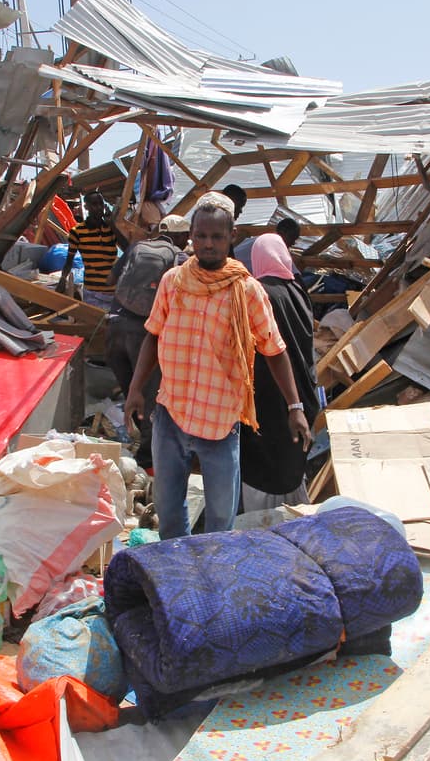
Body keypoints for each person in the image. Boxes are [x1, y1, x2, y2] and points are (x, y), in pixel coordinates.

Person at [124, 193, 312, 539]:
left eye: (217, 237)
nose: (208, 244)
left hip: (220, 421)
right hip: (172, 412)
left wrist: (295, 405)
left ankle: (213, 579)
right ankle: (175, 574)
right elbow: (153, 335)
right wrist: (136, 389)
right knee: (168, 512)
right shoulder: (173, 282)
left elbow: (275, 350)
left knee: (221, 520)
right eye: (202, 236)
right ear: (191, 236)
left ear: (232, 238)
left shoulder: (247, 291)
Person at [239, 233, 320, 511]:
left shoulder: (260, 293)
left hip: (270, 393)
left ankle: (263, 529)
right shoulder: (299, 291)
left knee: (264, 468)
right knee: (291, 463)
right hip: (302, 395)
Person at [104, 214, 189, 472]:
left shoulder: (136, 247)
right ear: (180, 236)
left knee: (131, 391)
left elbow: (111, 280)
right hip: (143, 336)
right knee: (150, 399)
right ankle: (148, 464)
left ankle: (138, 444)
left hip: (113, 329)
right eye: (186, 236)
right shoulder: (179, 258)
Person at [57, 191, 124, 310]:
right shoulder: (77, 232)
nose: (98, 208)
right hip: (93, 292)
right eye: (94, 204)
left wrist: (113, 225)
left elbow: (128, 249)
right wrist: (63, 279)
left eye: (100, 204)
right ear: (86, 207)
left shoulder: (111, 229)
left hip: (113, 292)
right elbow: (69, 260)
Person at [233, 216, 301, 271]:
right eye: (292, 238)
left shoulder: (255, 240)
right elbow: (293, 275)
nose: (293, 243)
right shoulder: (276, 247)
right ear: (283, 232)